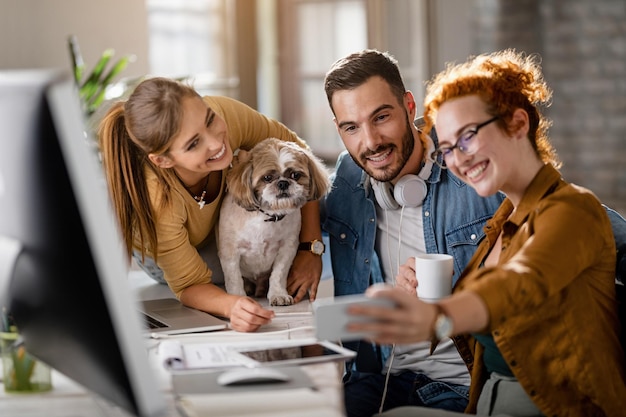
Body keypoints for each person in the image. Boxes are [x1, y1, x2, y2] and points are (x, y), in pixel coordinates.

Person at [345, 49, 626, 417]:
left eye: (468, 137)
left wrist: (436, 317)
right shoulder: (499, 225)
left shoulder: (573, 210)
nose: (458, 159)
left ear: (517, 124)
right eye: (447, 148)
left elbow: (519, 285)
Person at [321, 49, 505, 416]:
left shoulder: (469, 163)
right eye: (351, 127)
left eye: (382, 117)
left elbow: (580, 218)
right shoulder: (347, 176)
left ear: (409, 105)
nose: (370, 141)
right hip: (375, 378)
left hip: (461, 386)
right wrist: (307, 249)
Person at [98, 77, 325, 332]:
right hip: (177, 252)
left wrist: (310, 248)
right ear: (163, 160)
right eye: (194, 143)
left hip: (226, 220)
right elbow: (188, 284)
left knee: (321, 206)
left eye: (209, 120)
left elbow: (299, 152)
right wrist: (232, 306)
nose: (217, 143)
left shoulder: (226, 114)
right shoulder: (159, 201)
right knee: (231, 273)